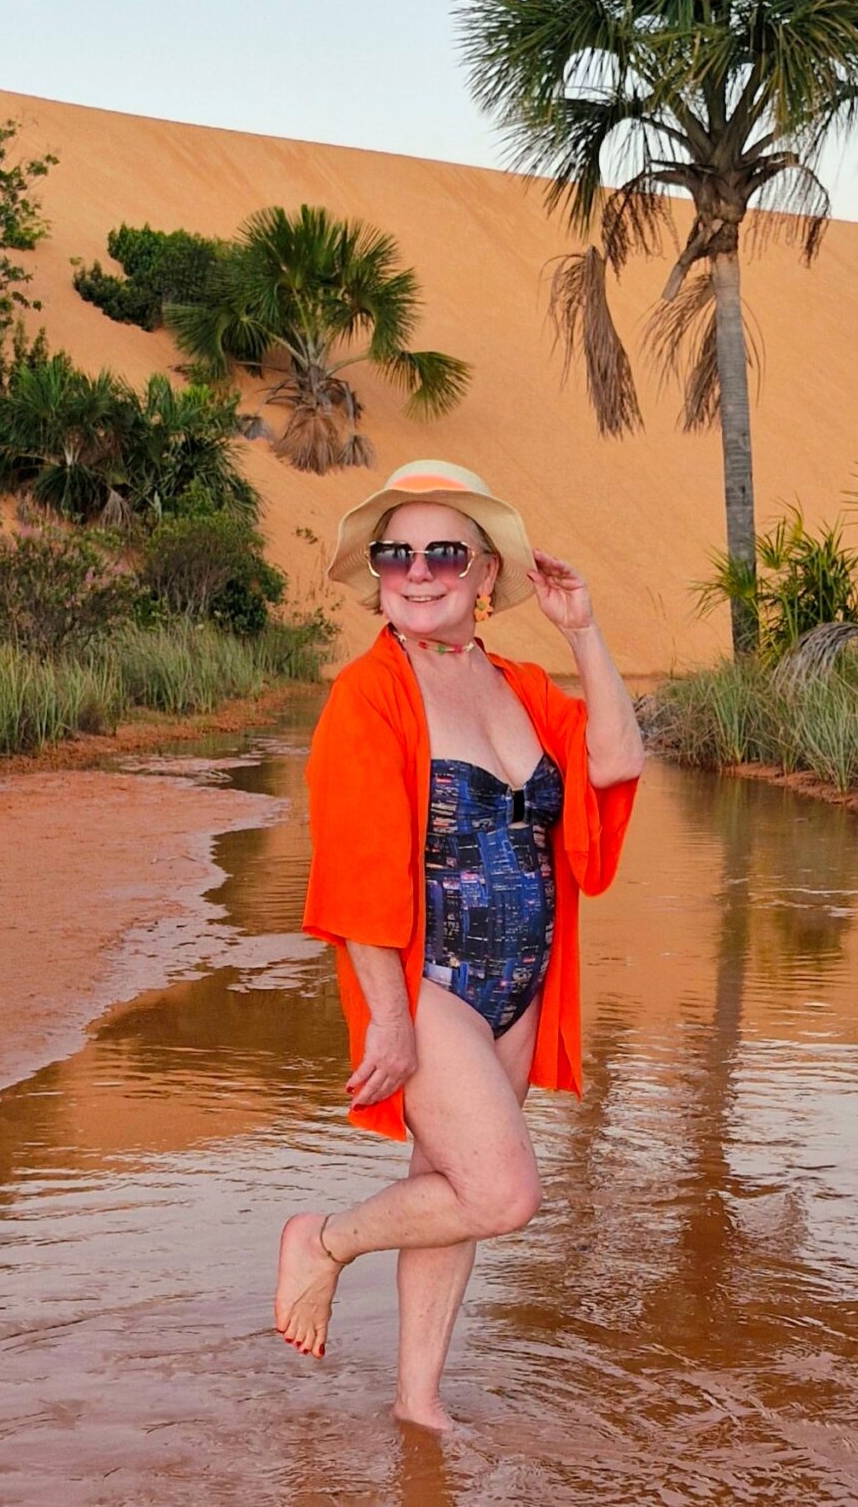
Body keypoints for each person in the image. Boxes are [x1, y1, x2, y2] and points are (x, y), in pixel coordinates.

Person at [273, 460, 643, 1430]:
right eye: (397, 553)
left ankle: (416, 1398)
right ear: (378, 574)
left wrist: (584, 631)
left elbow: (615, 760)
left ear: (486, 574)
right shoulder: (368, 693)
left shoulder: (521, 682)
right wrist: (388, 1017)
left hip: (522, 974)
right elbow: (352, 868)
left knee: (447, 1189)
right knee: (500, 1188)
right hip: (427, 974)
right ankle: (325, 1238)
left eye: (444, 550)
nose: (418, 570)